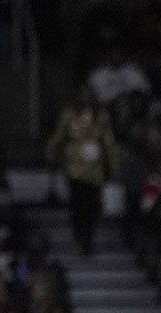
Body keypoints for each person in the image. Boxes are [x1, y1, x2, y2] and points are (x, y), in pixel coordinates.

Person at [44, 88, 117, 256]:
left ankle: (88, 239)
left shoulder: (101, 117)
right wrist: (51, 152)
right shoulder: (68, 115)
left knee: (93, 205)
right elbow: (59, 135)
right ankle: (79, 234)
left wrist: (112, 163)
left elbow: (108, 141)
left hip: (94, 169)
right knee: (78, 204)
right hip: (75, 167)